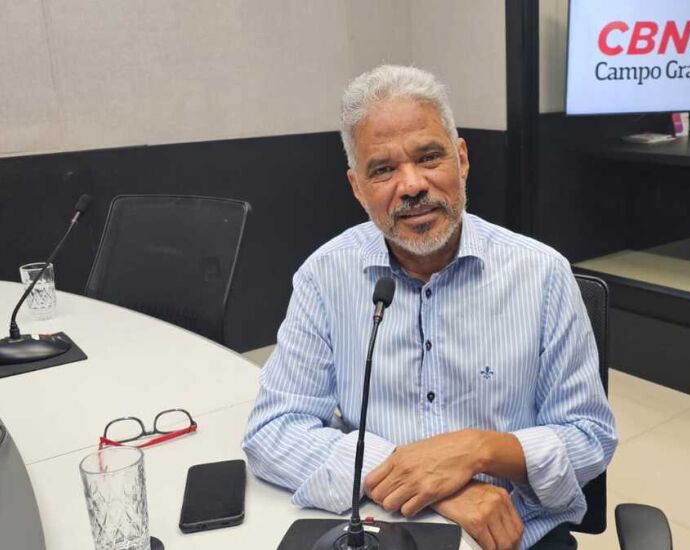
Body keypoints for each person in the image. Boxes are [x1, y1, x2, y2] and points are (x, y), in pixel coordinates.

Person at [242, 65, 617, 550]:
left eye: (429, 157)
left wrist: (478, 449)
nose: (413, 184)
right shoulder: (324, 275)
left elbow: (590, 437)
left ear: (461, 160)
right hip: (383, 527)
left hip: (511, 534)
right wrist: (428, 482)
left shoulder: (542, 273)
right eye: (383, 169)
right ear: (357, 187)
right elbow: (273, 430)